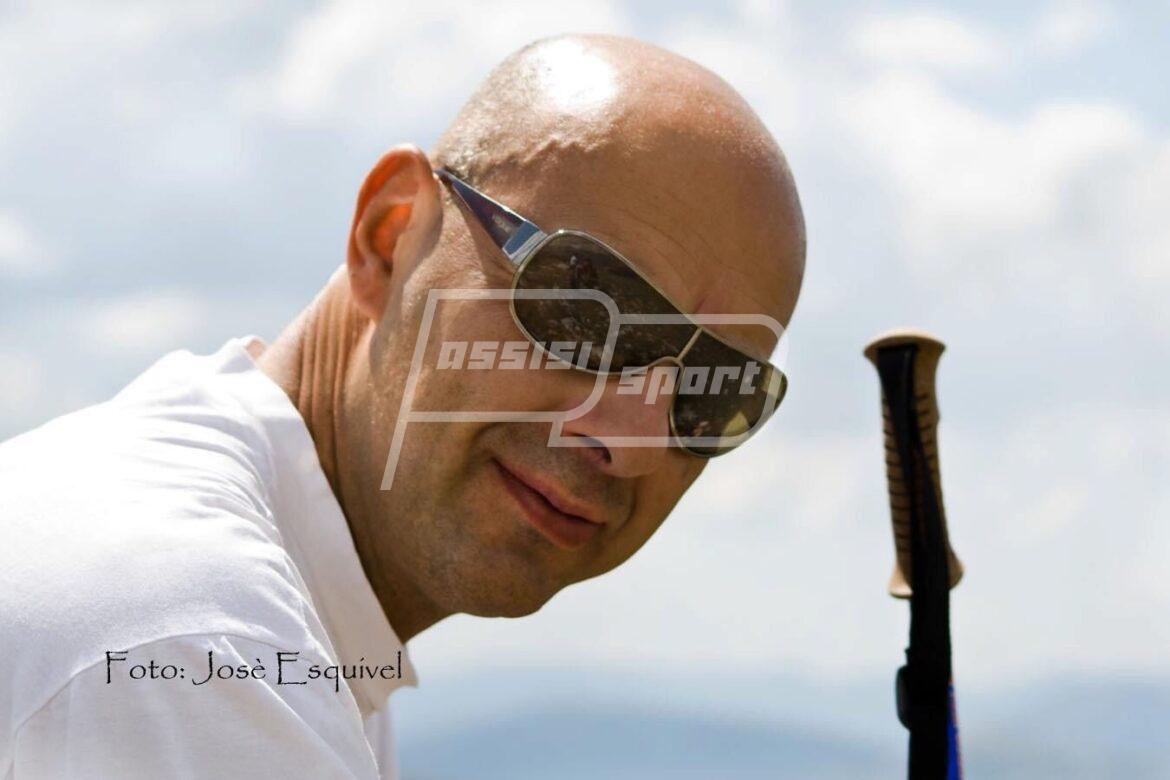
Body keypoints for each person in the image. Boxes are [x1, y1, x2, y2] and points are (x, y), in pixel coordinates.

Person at [0, 33, 804, 779]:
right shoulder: (198, 642)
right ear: (390, 236)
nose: (629, 440)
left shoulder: (281, 619)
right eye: (589, 312)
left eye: (716, 391)